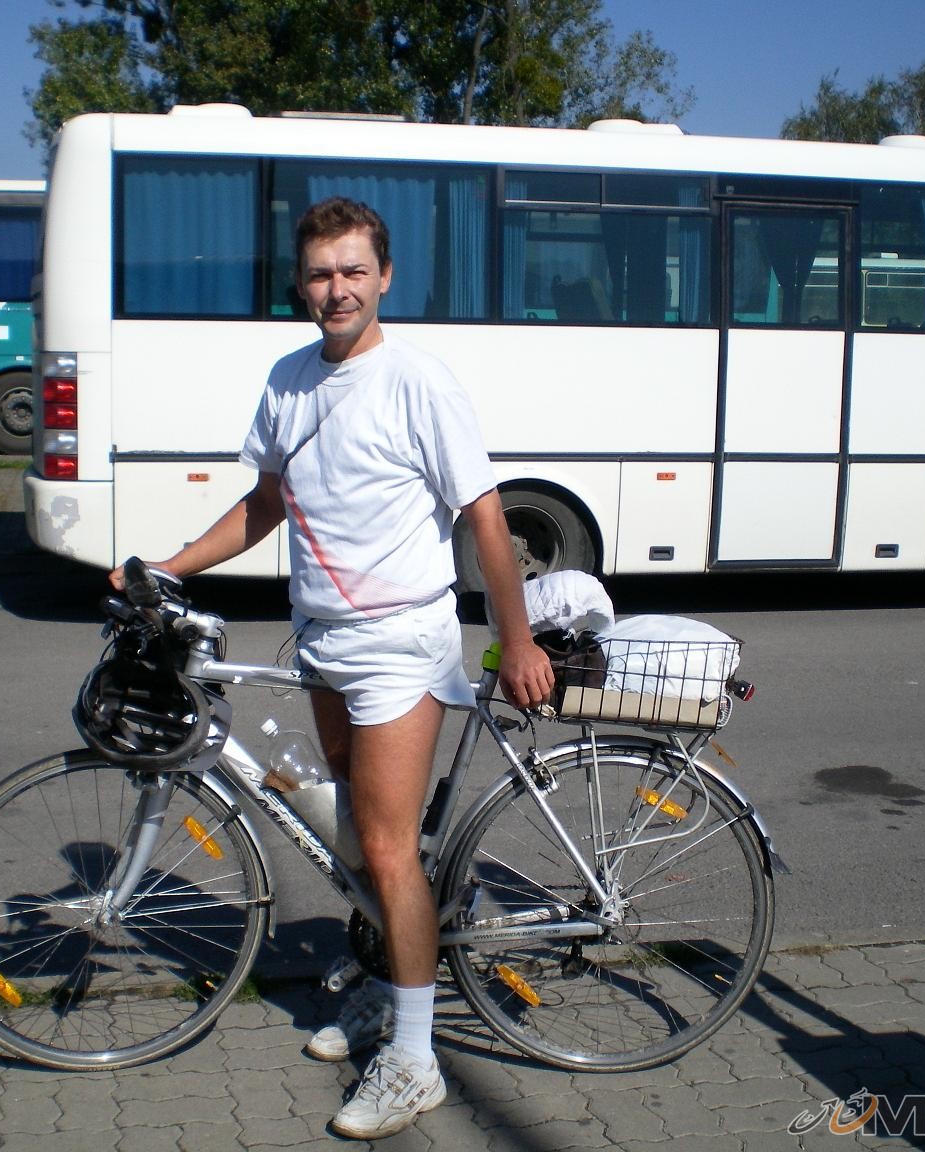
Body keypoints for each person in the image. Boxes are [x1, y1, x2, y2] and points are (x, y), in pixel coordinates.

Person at [112, 196, 553, 1140]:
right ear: (301, 285)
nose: (337, 288)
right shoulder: (289, 380)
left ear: (384, 277)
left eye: (354, 270)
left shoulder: (418, 382)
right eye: (320, 273)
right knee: (357, 833)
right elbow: (265, 503)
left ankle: (416, 1060)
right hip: (322, 641)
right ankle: (392, 985)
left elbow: (485, 518)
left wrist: (513, 638)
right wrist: (171, 566)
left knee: (386, 849)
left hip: (401, 643)